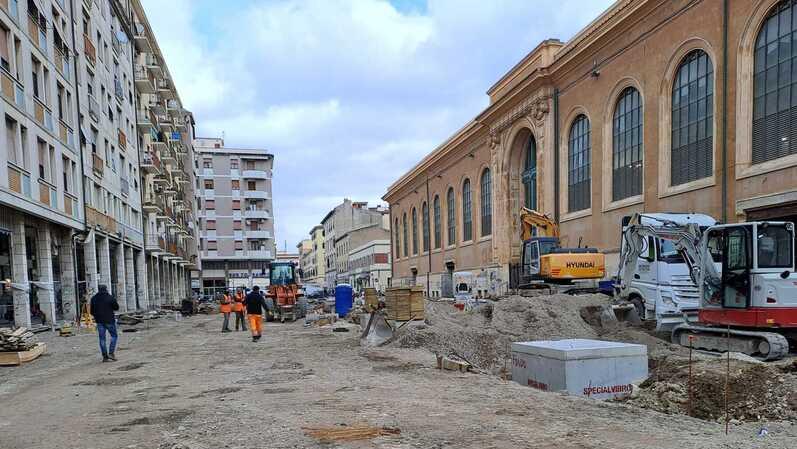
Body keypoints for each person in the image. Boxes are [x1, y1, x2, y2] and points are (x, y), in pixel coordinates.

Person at [89, 285, 119, 362]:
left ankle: (105, 356)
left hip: (99, 321)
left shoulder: (94, 298)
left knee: (102, 339)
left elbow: (91, 311)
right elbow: (116, 307)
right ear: (106, 289)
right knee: (114, 336)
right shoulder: (110, 297)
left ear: (98, 289)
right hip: (110, 320)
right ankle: (111, 353)